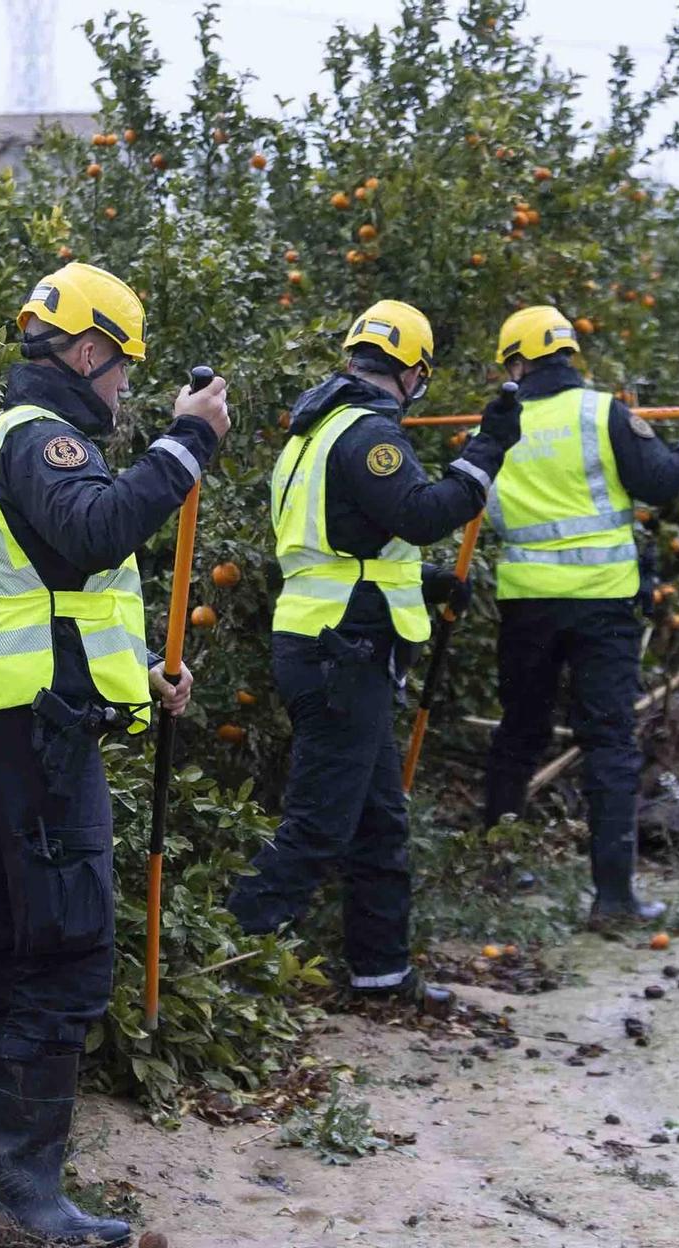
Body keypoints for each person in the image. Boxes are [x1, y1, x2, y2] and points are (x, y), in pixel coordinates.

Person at [0, 261, 229, 1248]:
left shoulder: (9, 443)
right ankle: (20, 1193)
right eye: (121, 373)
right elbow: (93, 531)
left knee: (16, 942)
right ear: (90, 351)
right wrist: (186, 442)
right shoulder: (40, 440)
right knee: (63, 949)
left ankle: (2, 1178)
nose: (123, 394)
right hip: (34, 731)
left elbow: (52, 591)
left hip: (11, 718)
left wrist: (138, 667)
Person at [225, 300, 519, 1004]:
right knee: (319, 825)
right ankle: (211, 963)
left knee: (379, 817)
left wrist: (423, 581)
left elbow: (342, 544)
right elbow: (420, 512)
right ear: (413, 372)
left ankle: (381, 973)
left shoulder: (315, 432)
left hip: (333, 641)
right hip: (341, 651)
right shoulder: (365, 432)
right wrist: (486, 449)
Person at [479, 305, 679, 925]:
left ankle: (493, 872)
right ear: (568, 354)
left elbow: (477, 506)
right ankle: (614, 898)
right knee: (609, 744)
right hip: (603, 604)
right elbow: (661, 482)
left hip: (525, 603)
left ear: (516, 361)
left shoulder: (495, 426)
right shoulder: (603, 413)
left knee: (518, 734)